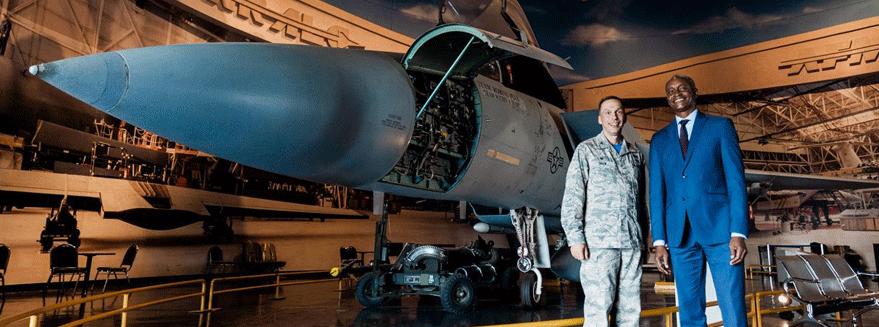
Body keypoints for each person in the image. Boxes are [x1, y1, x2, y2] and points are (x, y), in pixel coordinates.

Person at [649, 74, 748, 327]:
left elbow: (736, 183)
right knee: (690, 311)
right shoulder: (659, 140)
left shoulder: (720, 126)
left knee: (732, 308)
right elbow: (657, 194)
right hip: (679, 236)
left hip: (721, 233)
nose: (677, 94)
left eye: (682, 88)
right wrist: (659, 241)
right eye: (671, 91)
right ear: (667, 98)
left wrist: (738, 232)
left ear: (695, 91)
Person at [562, 96, 647, 327]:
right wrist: (575, 238)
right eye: (608, 112)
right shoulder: (586, 150)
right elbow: (573, 197)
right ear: (600, 119)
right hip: (599, 244)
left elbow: (641, 204)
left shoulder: (635, 155)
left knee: (630, 311)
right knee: (599, 309)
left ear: (625, 117)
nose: (614, 118)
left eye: (618, 112)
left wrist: (644, 241)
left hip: (631, 244)